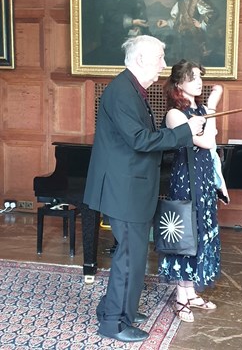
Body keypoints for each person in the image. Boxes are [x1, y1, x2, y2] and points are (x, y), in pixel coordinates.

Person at [83, 36, 206, 343]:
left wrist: (179, 134)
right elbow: (139, 140)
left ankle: (119, 309)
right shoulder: (122, 92)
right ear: (140, 60)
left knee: (134, 256)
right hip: (124, 190)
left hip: (130, 188)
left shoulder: (131, 90)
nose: (164, 65)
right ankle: (113, 322)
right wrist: (184, 133)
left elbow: (142, 139)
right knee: (130, 256)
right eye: (160, 58)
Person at [158, 59, 229, 323]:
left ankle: (190, 293)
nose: (199, 82)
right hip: (186, 180)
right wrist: (212, 106)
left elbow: (211, 149)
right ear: (178, 84)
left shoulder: (198, 110)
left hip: (203, 179)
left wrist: (207, 109)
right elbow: (206, 140)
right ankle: (180, 296)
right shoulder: (175, 115)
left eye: (200, 76)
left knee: (200, 233)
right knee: (186, 236)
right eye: (193, 77)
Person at [157, 0, 213, 64]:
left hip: (192, 40)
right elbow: (178, 18)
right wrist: (167, 23)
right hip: (179, 39)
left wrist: (201, 24)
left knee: (190, 65)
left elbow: (211, 12)